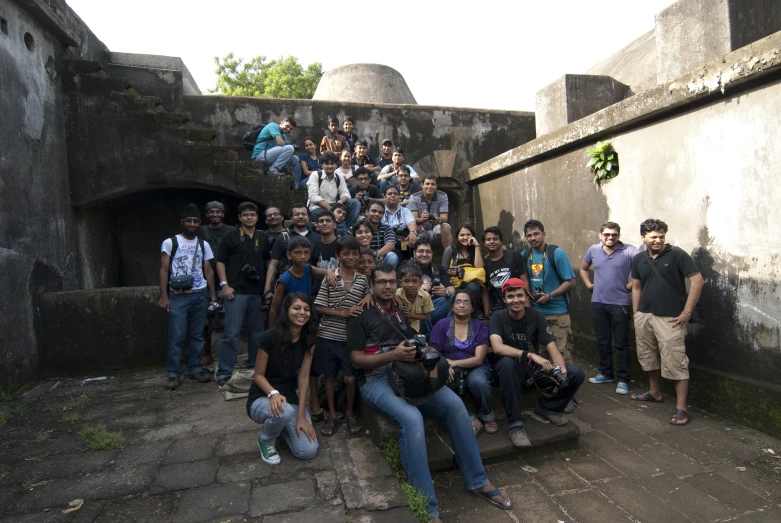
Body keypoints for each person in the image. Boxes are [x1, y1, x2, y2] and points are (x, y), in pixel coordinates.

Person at [348, 264, 513, 521]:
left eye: (392, 281)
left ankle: (477, 480)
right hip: (375, 379)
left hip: (407, 373)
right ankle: (427, 506)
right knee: (411, 419)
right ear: (372, 283)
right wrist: (393, 355)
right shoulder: (360, 314)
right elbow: (356, 360)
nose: (388, 286)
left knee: (456, 406)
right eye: (381, 282)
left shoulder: (400, 310)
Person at [489, 278, 585, 448]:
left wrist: (561, 369)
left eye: (520, 295)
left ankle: (549, 407)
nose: (516, 300)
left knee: (575, 373)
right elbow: (497, 347)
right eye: (510, 296)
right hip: (508, 374)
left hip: (532, 372)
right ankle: (515, 425)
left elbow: (553, 349)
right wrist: (530, 355)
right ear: (504, 299)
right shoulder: (498, 317)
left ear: (527, 297)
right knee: (507, 364)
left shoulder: (536, 316)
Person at [629, 219, 704, 427]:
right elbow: (636, 287)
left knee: (676, 360)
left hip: (670, 317)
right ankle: (654, 391)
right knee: (647, 355)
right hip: (645, 316)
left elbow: (697, 281)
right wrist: (636, 314)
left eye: (661, 236)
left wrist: (687, 312)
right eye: (653, 236)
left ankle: (682, 408)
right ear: (643, 237)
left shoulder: (677, 254)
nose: (658, 240)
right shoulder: (639, 259)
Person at [247, 293, 319, 465]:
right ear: (286, 311)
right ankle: (266, 440)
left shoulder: (309, 340)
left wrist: (301, 415)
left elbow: (303, 378)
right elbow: (258, 375)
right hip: (262, 398)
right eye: (296, 308)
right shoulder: (269, 337)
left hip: (290, 402)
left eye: (306, 309)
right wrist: (273, 393)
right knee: (284, 411)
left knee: (307, 450)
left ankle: (280, 428)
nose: (302, 312)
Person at [314, 236, 369, 437]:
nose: (351, 257)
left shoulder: (362, 280)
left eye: (355, 253)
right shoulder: (330, 278)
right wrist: (343, 313)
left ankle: (349, 413)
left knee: (349, 378)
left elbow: (369, 297)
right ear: (338, 255)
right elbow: (319, 306)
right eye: (346, 253)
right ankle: (331, 414)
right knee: (328, 376)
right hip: (328, 335)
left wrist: (369, 295)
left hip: (350, 338)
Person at [158, 203, 217, 390]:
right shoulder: (170, 242)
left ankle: (195, 368)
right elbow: (163, 269)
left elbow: (208, 269)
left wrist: (213, 295)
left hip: (199, 294)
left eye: (196, 221)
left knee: (198, 335)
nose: (192, 224)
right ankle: (173, 373)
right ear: (182, 222)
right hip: (178, 295)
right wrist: (163, 295)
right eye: (189, 221)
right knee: (176, 336)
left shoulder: (203, 244)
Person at [579, 221, 639, 395]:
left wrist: (629, 286)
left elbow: (643, 270)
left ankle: (623, 379)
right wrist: (589, 285)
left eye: (614, 234)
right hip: (598, 302)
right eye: (606, 234)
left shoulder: (630, 251)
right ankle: (606, 373)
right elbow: (583, 269)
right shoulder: (594, 250)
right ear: (601, 235)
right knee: (602, 341)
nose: (610, 237)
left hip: (621, 303)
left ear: (618, 236)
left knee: (621, 343)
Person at [215, 202, 271, 387]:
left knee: (257, 334)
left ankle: (254, 368)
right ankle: (224, 371)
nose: (249, 218)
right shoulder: (230, 236)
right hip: (235, 291)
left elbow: (269, 262)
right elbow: (220, 261)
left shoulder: (262, 237)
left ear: (257, 217)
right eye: (245, 215)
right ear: (239, 218)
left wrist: (267, 288)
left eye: (252, 215)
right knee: (231, 334)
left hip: (257, 292)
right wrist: (224, 285)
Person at [429, 290, 495, 435]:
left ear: (472, 307)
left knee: (479, 381)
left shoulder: (481, 327)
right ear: (452, 307)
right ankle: (470, 418)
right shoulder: (442, 324)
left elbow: (478, 358)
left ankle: (487, 416)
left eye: (466, 302)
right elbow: (433, 352)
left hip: (475, 367)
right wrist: (443, 364)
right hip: (448, 367)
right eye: (458, 301)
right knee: (436, 382)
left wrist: (454, 363)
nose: (462, 305)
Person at [522, 220, 577, 364]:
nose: (533, 238)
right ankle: (549, 385)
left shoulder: (557, 253)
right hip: (536, 313)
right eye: (529, 235)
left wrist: (550, 296)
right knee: (542, 354)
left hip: (557, 313)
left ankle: (567, 384)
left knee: (560, 353)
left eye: (536, 234)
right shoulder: (525, 255)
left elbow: (571, 281)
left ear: (543, 234)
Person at [198, 201, 231, 367]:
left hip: (226, 280)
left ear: (223, 214)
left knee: (228, 319)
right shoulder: (201, 231)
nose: (215, 215)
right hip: (204, 279)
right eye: (212, 212)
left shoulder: (230, 231)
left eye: (218, 212)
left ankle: (227, 353)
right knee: (205, 320)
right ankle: (206, 352)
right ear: (207, 214)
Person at [400, 238, 455, 332]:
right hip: (414, 307)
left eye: (428, 251)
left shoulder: (438, 268)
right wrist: (416, 289)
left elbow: (452, 289)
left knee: (454, 298)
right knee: (422, 305)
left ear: (432, 254)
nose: (424, 254)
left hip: (436, 305)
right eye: (421, 251)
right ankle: (428, 338)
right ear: (414, 253)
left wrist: (445, 291)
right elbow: (397, 291)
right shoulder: (405, 268)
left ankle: (449, 332)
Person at [481, 226, 528, 317]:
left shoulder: (514, 256)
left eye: (495, 239)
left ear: (501, 241)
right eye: (488, 239)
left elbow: (525, 281)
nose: (491, 241)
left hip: (518, 304)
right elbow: (485, 290)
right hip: (499, 309)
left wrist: (527, 306)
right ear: (484, 243)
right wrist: (487, 312)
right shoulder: (484, 264)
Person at [307, 152, 361, 229]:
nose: (329, 166)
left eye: (332, 163)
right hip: (316, 208)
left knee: (355, 202)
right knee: (332, 217)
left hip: (334, 205)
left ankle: (347, 228)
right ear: (322, 165)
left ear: (336, 165)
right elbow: (313, 197)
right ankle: (342, 230)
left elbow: (346, 193)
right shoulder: (315, 175)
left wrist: (340, 202)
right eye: (326, 164)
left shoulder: (338, 177)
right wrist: (331, 210)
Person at [268, 236, 312, 327]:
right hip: (286, 322)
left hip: (303, 318)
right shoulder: (284, 280)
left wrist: (329, 272)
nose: (303, 256)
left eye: (306, 252)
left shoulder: (308, 269)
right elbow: (273, 309)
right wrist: (272, 331)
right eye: (297, 252)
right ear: (289, 255)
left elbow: (325, 271)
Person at [442, 224, 485, 309]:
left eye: (468, 235)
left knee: (473, 287)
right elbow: (443, 271)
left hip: (472, 285)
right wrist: (449, 272)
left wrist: (476, 246)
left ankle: (475, 310)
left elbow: (480, 267)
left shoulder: (476, 249)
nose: (465, 237)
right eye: (462, 235)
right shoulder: (450, 250)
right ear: (457, 237)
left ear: (473, 236)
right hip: (455, 285)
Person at [409, 175, 452, 249]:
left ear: (436, 186)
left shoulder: (443, 196)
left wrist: (438, 219)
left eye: (432, 184)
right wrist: (422, 219)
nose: (430, 186)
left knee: (446, 226)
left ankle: (449, 255)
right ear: (422, 185)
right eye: (427, 184)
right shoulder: (414, 197)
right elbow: (413, 219)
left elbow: (445, 218)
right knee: (414, 227)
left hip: (436, 226)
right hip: (420, 227)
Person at [395, 264, 434, 333]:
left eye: (415, 281)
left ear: (420, 283)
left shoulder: (425, 296)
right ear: (400, 282)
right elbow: (392, 294)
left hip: (415, 327)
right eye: (406, 281)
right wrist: (399, 301)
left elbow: (426, 317)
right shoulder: (397, 293)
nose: (410, 285)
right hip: (398, 326)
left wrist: (410, 315)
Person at [364, 200, 398, 268]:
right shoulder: (357, 227)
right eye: (373, 211)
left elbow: (390, 245)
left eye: (380, 212)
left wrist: (374, 256)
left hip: (379, 258)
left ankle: (388, 278)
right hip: (361, 257)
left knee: (392, 256)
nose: (377, 214)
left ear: (383, 214)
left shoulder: (386, 228)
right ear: (367, 212)